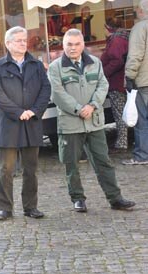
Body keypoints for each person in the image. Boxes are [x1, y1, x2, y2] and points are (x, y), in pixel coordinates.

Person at [48, 28, 136, 212]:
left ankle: (115, 198)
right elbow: (57, 93)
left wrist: (93, 105)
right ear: (63, 45)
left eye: (77, 44)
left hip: (94, 122)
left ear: (83, 45)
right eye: (69, 44)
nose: (73, 48)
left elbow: (103, 85)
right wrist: (78, 109)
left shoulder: (95, 62)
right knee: (71, 164)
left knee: (103, 161)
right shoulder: (55, 67)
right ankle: (78, 198)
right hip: (70, 124)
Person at [0, 26, 51, 221]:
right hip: (8, 123)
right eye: (18, 40)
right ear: (8, 44)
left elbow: (45, 89)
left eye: (25, 40)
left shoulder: (36, 65)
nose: (23, 43)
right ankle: (5, 208)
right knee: (6, 169)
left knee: (30, 169)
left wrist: (34, 111)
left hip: (31, 122)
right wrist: (18, 112)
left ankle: (30, 207)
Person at [123, 0, 148, 165]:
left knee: (141, 120)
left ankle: (142, 155)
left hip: (144, 80)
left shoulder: (140, 27)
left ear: (140, 10)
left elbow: (136, 55)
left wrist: (129, 76)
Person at [100, 18, 130, 154]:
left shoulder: (116, 40)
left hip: (117, 81)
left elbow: (116, 61)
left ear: (108, 27)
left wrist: (104, 73)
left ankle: (122, 142)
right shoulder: (126, 36)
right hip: (126, 80)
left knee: (120, 113)